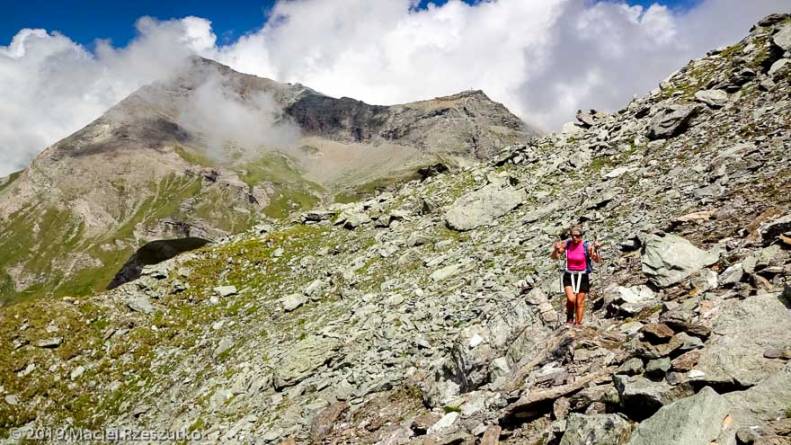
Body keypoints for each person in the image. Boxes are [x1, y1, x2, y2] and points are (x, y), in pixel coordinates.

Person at [550, 225, 602, 325]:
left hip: (582, 275)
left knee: (580, 302)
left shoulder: (586, 246)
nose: (574, 238)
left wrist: (595, 249)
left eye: (577, 236)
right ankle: (569, 317)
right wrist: (556, 250)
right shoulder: (567, 244)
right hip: (569, 274)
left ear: (581, 236)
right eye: (572, 235)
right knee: (571, 299)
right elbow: (554, 257)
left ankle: (578, 324)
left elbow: (597, 260)